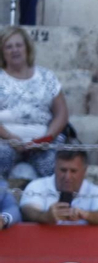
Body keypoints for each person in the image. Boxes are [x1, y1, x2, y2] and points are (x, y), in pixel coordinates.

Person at [0, 26, 68, 182]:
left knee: (53, 166)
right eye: (8, 47)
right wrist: (10, 137)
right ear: (2, 52)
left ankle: (55, 205)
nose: (14, 50)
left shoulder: (46, 76)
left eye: (19, 45)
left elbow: (61, 114)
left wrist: (46, 138)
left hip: (42, 142)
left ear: (27, 48)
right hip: (4, 141)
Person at [18, 148, 98, 227]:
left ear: (84, 171)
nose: (67, 177)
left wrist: (86, 215)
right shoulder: (37, 185)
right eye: (63, 170)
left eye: (73, 171)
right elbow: (27, 210)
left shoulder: (95, 191)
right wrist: (45, 217)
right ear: (55, 168)